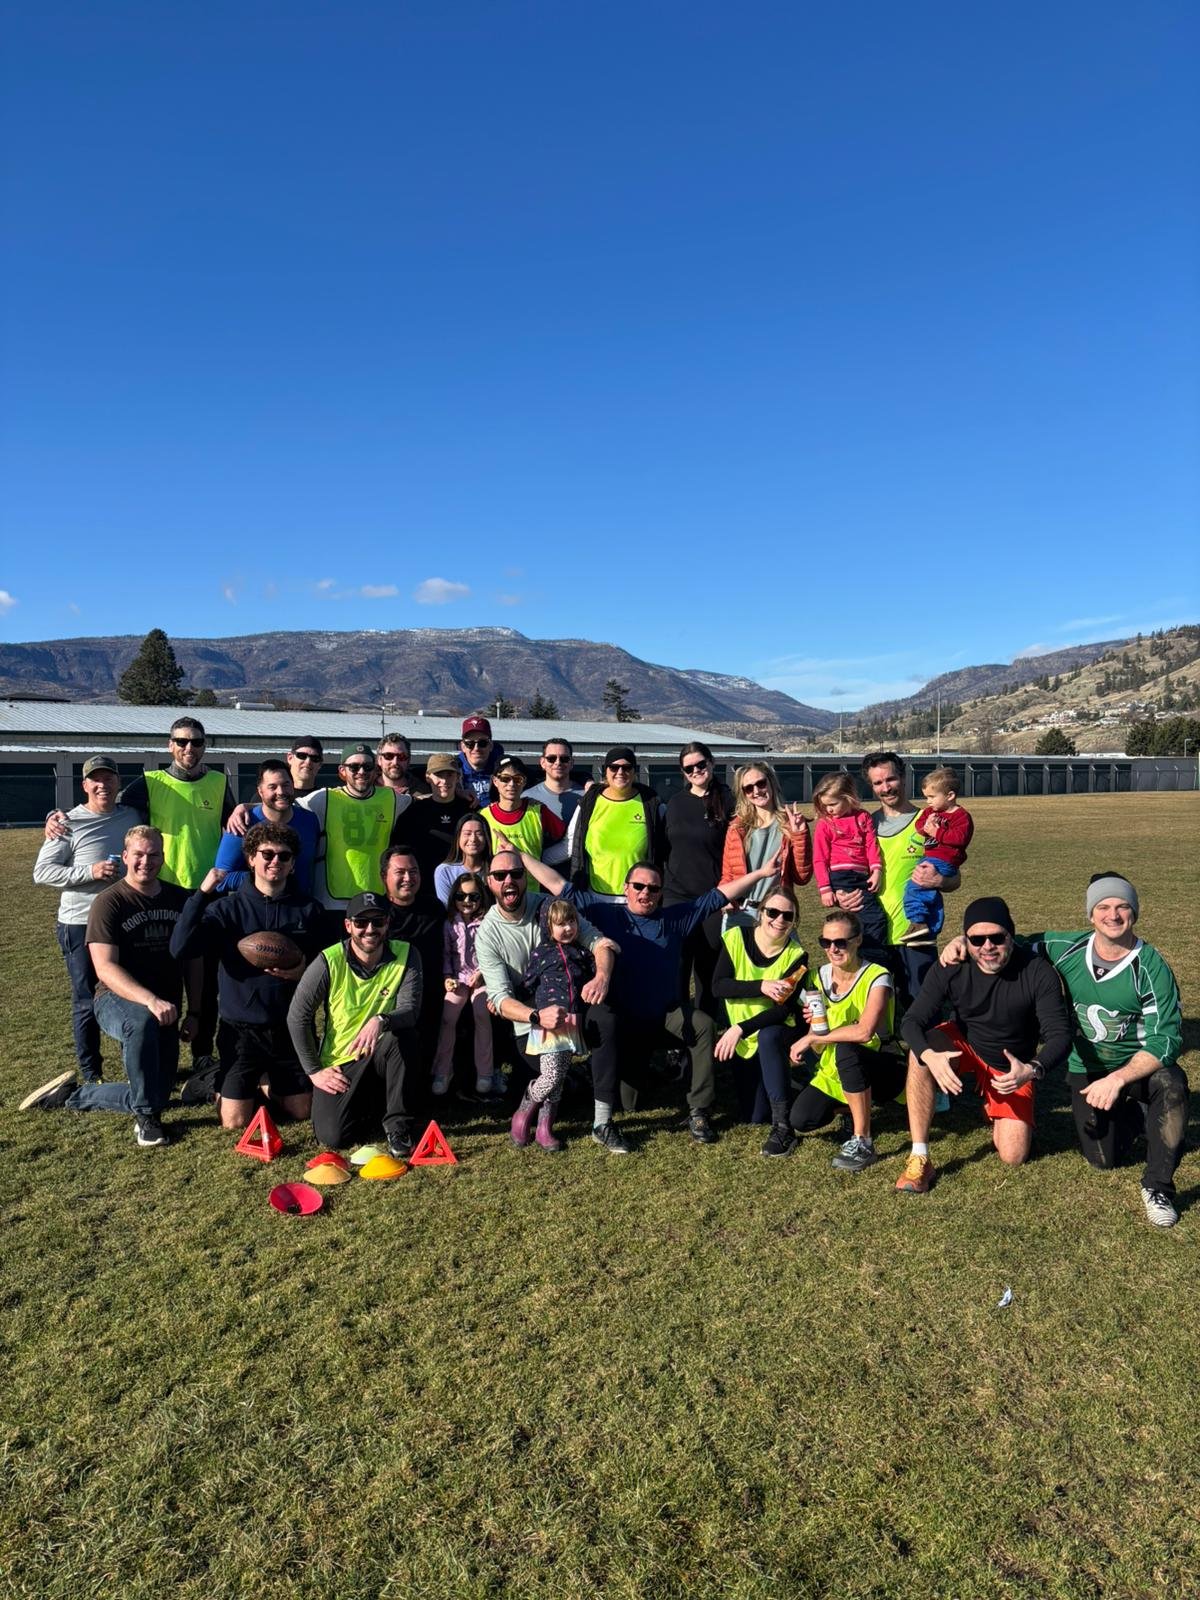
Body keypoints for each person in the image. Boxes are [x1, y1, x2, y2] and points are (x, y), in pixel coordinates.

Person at [943, 873, 1188, 1228]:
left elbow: (1166, 1040)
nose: (1113, 915)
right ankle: (1140, 1115)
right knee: (1103, 1159)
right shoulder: (1067, 947)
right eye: (1103, 906)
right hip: (1087, 1069)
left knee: (1171, 1084)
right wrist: (961, 941)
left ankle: (1158, 1187)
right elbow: (1006, 941)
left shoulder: (1151, 967)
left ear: (1134, 912)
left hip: (1137, 1067)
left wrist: (1118, 1079)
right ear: (1090, 914)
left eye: (1122, 906)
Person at [521, 848, 784, 1150]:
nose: (645, 893)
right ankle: (607, 1089)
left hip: (664, 1016)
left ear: (660, 893)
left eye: (653, 888)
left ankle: (699, 1110)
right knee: (630, 1103)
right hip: (623, 1024)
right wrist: (519, 855)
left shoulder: (674, 919)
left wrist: (761, 874)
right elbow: (558, 885)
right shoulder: (605, 914)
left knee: (703, 1025)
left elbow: (717, 896)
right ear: (626, 888)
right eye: (639, 886)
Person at [45, 716, 236, 1073]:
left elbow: (235, 827)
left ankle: (201, 1057)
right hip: (161, 895)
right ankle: (125, 1062)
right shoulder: (150, 782)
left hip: (207, 895)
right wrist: (57, 816)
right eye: (181, 741)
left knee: (205, 979)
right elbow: (105, 805)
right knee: (156, 976)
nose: (189, 748)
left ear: (205, 746)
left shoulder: (219, 782)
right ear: (170, 745)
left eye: (196, 742)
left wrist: (243, 809)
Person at [21, 825, 202, 1148]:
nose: (146, 862)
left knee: (157, 1094)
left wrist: (195, 1012)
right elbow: (105, 966)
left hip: (166, 1008)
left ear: (163, 857)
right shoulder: (109, 901)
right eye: (139, 854)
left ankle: (73, 1095)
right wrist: (150, 1000)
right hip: (114, 999)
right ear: (125, 856)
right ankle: (146, 1121)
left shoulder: (179, 898)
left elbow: (193, 960)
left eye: (153, 855)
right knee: (141, 1023)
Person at [894, 896, 1072, 1194]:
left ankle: (992, 1103)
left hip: (1010, 1066)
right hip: (965, 1043)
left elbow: (1060, 1035)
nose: (987, 946)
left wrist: (1032, 1069)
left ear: (1010, 936)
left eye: (996, 937)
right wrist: (929, 1056)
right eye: (977, 939)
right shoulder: (952, 964)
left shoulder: (1038, 972)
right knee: (920, 1052)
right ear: (966, 939)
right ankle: (919, 1156)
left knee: (1013, 1156)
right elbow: (911, 1021)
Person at [170, 823, 325, 1128]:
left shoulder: (308, 910)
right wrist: (201, 894)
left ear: (293, 864)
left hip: (289, 1026)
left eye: (284, 856)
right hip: (240, 1030)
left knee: (302, 1110)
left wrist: (303, 970)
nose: (275, 861)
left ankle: (265, 1080)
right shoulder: (227, 909)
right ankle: (209, 1081)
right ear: (251, 859)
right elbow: (180, 947)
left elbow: (329, 964)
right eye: (267, 854)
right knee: (234, 1122)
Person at [475, 850, 618, 1127]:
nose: (509, 881)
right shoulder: (487, 933)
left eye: (516, 874)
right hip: (531, 1017)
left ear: (525, 877)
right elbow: (501, 999)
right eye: (500, 875)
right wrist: (536, 1016)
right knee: (549, 1086)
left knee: (606, 1020)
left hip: (574, 1002)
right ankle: (580, 1076)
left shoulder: (550, 907)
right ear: (489, 881)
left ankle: (603, 1111)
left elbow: (599, 942)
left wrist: (601, 976)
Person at [287, 891, 423, 1159]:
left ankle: (398, 1126)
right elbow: (297, 1017)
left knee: (403, 1037)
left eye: (378, 921)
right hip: (341, 1060)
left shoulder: (407, 954)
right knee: (333, 1137)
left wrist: (381, 1020)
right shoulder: (328, 960)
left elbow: (411, 1010)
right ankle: (370, 1106)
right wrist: (314, 1071)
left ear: (387, 923)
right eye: (361, 922)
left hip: (381, 1051)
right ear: (348, 925)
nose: (370, 929)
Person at [33, 754, 139, 1086]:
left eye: (108, 778)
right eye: (95, 779)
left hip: (123, 920)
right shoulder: (67, 823)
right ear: (84, 785)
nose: (102, 785)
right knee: (85, 999)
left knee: (128, 994)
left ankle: (134, 1065)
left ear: (118, 782)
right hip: (79, 922)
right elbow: (42, 872)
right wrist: (89, 872)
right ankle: (92, 1073)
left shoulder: (131, 816)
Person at [786, 910, 897, 1171]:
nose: (833, 949)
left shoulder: (877, 976)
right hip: (832, 1070)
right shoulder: (815, 978)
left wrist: (812, 1037)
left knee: (847, 1048)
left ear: (858, 940)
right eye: (825, 942)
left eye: (840, 942)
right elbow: (819, 1043)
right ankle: (851, 1108)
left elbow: (864, 1032)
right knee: (800, 1119)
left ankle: (863, 1140)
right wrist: (812, 1033)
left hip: (879, 1063)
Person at [856, 751, 961, 1005]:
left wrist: (939, 881)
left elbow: (954, 877)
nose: (886, 788)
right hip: (873, 935)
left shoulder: (929, 822)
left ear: (903, 778)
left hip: (916, 933)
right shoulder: (864, 826)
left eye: (890, 779)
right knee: (877, 1011)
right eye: (878, 783)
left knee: (922, 1008)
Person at [711, 884, 808, 1152]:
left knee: (769, 1035)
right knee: (754, 1116)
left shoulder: (798, 956)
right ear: (761, 912)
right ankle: (789, 1085)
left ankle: (783, 1126)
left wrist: (740, 1028)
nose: (779, 920)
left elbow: (784, 1010)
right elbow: (718, 986)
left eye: (787, 915)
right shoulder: (735, 937)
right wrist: (761, 986)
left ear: (794, 921)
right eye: (772, 912)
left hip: (773, 1030)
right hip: (742, 1038)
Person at [510, 898, 596, 1153]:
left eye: (571, 921)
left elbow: (593, 973)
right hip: (549, 1022)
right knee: (551, 1075)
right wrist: (509, 1001)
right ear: (548, 926)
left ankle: (544, 1128)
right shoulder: (542, 953)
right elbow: (527, 984)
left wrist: (605, 949)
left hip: (571, 1023)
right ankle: (523, 1110)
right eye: (560, 924)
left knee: (558, 1079)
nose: (568, 928)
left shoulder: (581, 953)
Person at [663, 741, 736, 1020]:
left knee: (707, 968)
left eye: (700, 764)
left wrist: (729, 894)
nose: (696, 771)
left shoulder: (728, 800)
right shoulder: (675, 803)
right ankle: (679, 1030)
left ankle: (707, 1029)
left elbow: (739, 849)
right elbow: (663, 848)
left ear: (711, 763)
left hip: (713, 898)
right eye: (689, 768)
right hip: (675, 896)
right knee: (677, 967)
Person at [297, 743, 412, 914]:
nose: (361, 771)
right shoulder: (324, 798)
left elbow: (425, 802)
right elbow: (282, 807)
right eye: (354, 767)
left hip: (376, 897)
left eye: (367, 767)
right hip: (332, 901)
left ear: (375, 770)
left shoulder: (393, 799)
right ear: (342, 771)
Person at [379, 844, 455, 1092]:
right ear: (384, 877)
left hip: (433, 994)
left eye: (413, 872)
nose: (408, 878)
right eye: (400, 872)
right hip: (389, 997)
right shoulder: (376, 914)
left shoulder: (434, 909)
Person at [567, 746, 665, 899]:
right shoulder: (589, 804)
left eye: (627, 767)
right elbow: (571, 843)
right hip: (596, 899)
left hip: (638, 900)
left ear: (634, 771)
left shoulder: (652, 805)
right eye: (614, 767)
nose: (620, 772)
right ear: (606, 771)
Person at [720, 761, 811, 921]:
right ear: (743, 794)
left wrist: (799, 835)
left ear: (771, 783)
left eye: (761, 783)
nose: (756, 791)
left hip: (777, 914)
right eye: (749, 788)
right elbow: (728, 874)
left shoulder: (791, 824)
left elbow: (802, 878)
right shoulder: (736, 828)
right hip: (741, 912)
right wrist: (723, 898)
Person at [213, 759, 319, 896]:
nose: (281, 792)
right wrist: (265, 876)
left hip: (301, 906)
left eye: (286, 785)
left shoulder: (310, 820)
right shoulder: (242, 823)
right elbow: (221, 879)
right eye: (272, 787)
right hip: (260, 905)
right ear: (260, 791)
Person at [430, 870, 493, 1098]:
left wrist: (482, 973)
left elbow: (492, 953)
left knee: (481, 1013)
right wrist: (447, 976)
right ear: (454, 897)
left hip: (481, 978)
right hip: (458, 978)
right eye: (461, 896)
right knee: (448, 1016)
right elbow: (447, 954)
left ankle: (485, 1072)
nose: (467, 901)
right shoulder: (450, 923)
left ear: (481, 898)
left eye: (473, 896)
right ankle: (442, 1070)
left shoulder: (487, 922)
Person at [811, 772, 886, 949]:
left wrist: (876, 870)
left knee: (860, 920)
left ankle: (858, 952)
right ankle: (874, 954)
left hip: (862, 876)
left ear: (849, 797)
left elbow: (871, 845)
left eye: (833, 804)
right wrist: (825, 889)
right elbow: (820, 859)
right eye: (825, 805)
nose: (829, 809)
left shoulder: (863, 817)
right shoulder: (825, 824)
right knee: (875, 918)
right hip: (842, 876)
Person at [900, 766, 974, 943]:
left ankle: (918, 922)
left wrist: (936, 832)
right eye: (926, 797)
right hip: (930, 857)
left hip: (945, 860)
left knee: (915, 887)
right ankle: (930, 929)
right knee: (929, 893)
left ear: (950, 795)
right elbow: (919, 827)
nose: (928, 802)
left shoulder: (961, 816)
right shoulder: (931, 812)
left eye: (932, 797)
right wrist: (926, 825)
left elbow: (960, 839)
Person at [399, 753, 476, 885]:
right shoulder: (414, 811)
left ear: (458, 777)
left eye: (450, 775)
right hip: (425, 885)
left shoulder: (470, 810)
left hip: (464, 885)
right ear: (428, 777)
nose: (444, 781)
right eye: (439, 775)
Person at [478, 754, 568, 861]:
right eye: (505, 779)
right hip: (496, 872)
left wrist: (544, 861)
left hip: (532, 872)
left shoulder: (539, 811)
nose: (511, 784)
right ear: (495, 781)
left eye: (518, 779)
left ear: (524, 781)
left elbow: (567, 840)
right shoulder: (483, 816)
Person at [523, 737, 586, 848]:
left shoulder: (587, 796)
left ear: (572, 763)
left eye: (564, 759)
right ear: (542, 762)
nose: (558, 763)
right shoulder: (526, 797)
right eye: (551, 758)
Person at [434, 812, 492, 905]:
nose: (473, 839)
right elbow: (447, 909)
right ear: (458, 837)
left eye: (479, 834)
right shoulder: (445, 871)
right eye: (467, 834)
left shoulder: (495, 869)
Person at [456, 715, 504, 806]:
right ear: (462, 747)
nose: (476, 748)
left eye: (482, 743)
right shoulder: (452, 771)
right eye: (470, 743)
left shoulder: (503, 770)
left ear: (491, 746)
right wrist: (456, 791)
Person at [377, 732, 420, 796]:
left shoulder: (422, 793)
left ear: (408, 760)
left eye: (401, 756)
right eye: (388, 756)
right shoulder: (365, 790)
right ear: (379, 760)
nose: (395, 762)